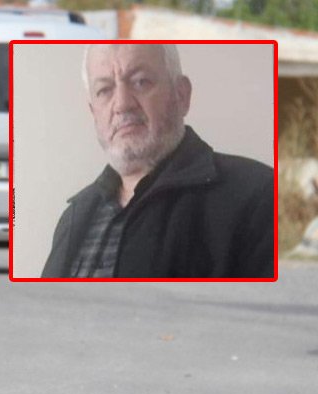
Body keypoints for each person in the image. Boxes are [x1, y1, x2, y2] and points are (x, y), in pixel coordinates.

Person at [41, 44, 273, 278]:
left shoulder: (259, 195)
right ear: (93, 112)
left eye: (141, 82)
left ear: (181, 95)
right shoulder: (72, 217)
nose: (122, 104)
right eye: (104, 90)